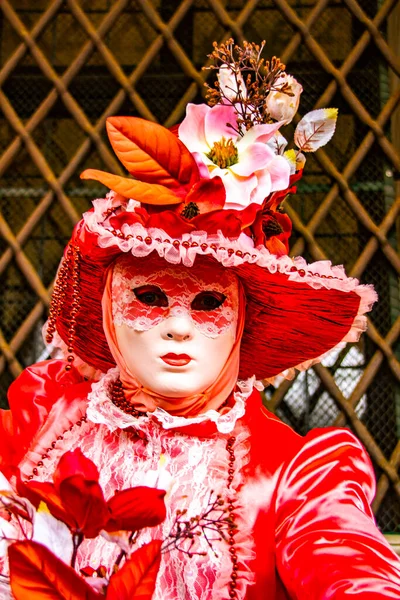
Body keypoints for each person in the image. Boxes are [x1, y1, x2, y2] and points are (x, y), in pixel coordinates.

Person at [1, 40, 400, 599]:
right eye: (148, 297)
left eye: (210, 302)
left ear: (244, 320)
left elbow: (348, 566)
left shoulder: (292, 475)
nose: (179, 328)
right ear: (106, 309)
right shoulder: (43, 419)